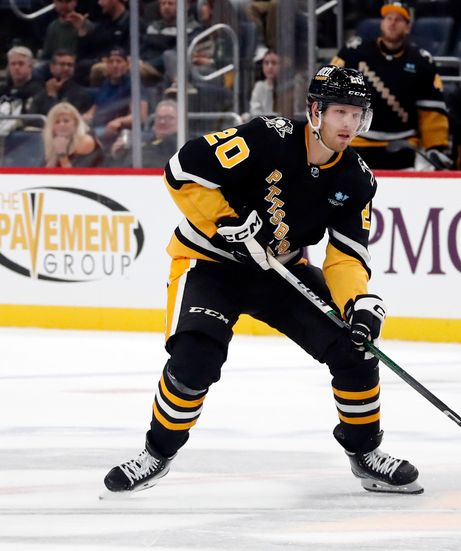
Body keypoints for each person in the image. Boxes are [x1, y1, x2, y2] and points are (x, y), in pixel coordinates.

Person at [102, 65, 421, 496]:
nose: (348, 124)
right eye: (340, 112)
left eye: (356, 113)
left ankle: (364, 454)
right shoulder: (266, 137)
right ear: (316, 111)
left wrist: (358, 303)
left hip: (280, 271)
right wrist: (227, 223)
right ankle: (156, 455)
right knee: (194, 361)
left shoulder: (356, 179)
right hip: (210, 262)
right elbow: (181, 170)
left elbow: (346, 256)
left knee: (355, 347)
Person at [331, 0, 451, 169]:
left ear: (408, 27)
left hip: (403, 146)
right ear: (382, 23)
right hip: (356, 143)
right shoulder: (353, 53)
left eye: (398, 19)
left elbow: (432, 109)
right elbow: (329, 93)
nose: (392, 23)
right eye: (388, 18)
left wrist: (435, 147)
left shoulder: (422, 61)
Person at [107, 99, 178, 167]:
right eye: (159, 118)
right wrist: (118, 155)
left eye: (169, 118)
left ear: (180, 120)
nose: (162, 122)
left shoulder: (181, 143)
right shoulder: (145, 142)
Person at [29, 50, 95, 119]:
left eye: (70, 65)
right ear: (52, 68)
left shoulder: (81, 95)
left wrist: (52, 96)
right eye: (62, 64)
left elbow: (61, 120)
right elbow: (31, 118)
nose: (66, 68)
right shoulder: (42, 93)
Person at [42, 101, 103, 168]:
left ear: (76, 123)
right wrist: (53, 157)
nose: (62, 125)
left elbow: (74, 176)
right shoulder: (56, 142)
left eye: (66, 121)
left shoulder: (85, 141)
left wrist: (62, 155)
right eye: (57, 122)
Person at [0, 46, 43, 135]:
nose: (16, 67)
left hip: (25, 137)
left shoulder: (39, 91)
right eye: (13, 64)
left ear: (30, 67)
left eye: (21, 64)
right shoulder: (3, 90)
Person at [249, 48, 281, 116]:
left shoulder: (290, 87)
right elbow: (255, 113)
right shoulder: (259, 86)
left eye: (274, 63)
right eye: (266, 63)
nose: (270, 67)